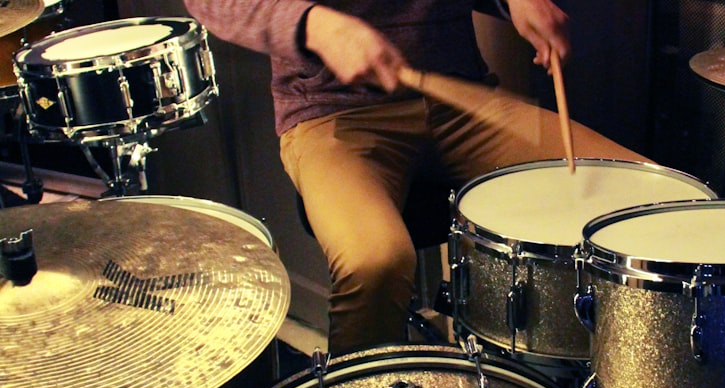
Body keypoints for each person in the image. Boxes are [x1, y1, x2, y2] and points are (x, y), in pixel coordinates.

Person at [182, 0, 650, 354]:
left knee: (641, 194)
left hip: (462, 100)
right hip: (331, 113)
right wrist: (314, 24)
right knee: (375, 263)